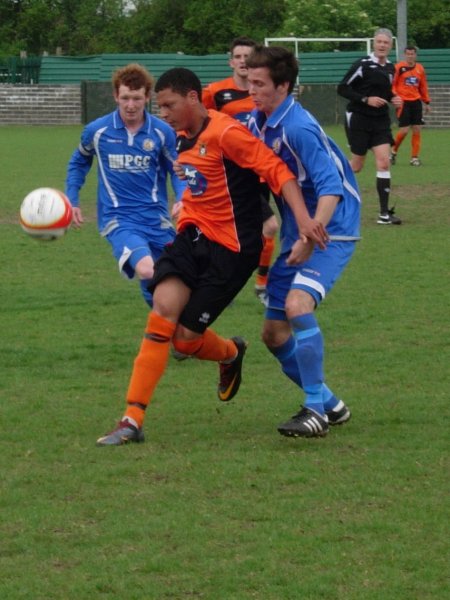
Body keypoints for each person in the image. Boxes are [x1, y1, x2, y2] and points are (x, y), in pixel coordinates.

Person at [96, 66, 328, 446]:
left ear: (191, 98)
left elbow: (278, 172)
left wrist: (303, 220)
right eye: (160, 106)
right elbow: (196, 181)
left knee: (185, 341)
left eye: (169, 105)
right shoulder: (181, 137)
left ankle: (231, 352)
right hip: (192, 237)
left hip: (232, 250)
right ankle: (131, 419)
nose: (163, 113)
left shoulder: (227, 132)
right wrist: (184, 204)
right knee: (162, 310)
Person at [246, 45, 361, 438]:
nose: (252, 90)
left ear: (283, 86)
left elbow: (331, 187)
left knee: (298, 305)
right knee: (273, 334)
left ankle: (314, 410)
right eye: (249, 81)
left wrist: (313, 238)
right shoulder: (258, 121)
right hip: (300, 230)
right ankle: (330, 403)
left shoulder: (298, 127)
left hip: (333, 228)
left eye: (259, 84)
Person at [65, 63, 185, 307]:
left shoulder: (162, 132)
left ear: (147, 97)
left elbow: (178, 170)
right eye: (126, 98)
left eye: (137, 98)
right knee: (148, 269)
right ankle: (166, 335)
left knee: (178, 281)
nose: (131, 105)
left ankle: (216, 346)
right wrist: (72, 199)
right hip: (119, 220)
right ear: (115, 96)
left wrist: (183, 198)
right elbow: (78, 162)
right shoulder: (97, 131)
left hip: (157, 219)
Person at [203, 36, 279, 304]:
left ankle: (222, 283)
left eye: (248, 56)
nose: (243, 61)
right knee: (269, 226)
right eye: (238, 57)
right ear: (231, 61)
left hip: (261, 172)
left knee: (247, 234)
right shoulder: (215, 93)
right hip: (232, 175)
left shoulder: (263, 93)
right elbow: (200, 126)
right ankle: (261, 285)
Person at [337, 28, 403, 225]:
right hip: (359, 118)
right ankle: (327, 183)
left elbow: (386, 90)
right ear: (374, 43)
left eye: (386, 43)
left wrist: (394, 98)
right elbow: (342, 88)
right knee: (356, 166)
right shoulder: (362, 65)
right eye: (379, 42)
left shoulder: (391, 68)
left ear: (391, 46)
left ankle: (384, 214)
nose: (382, 45)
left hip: (380, 121)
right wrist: (366, 99)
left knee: (384, 162)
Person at [390, 46, 431, 167]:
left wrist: (427, 102)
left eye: (412, 54)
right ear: (405, 55)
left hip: (416, 102)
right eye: (408, 54)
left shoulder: (420, 68)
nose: (410, 56)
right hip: (403, 102)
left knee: (417, 129)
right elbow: (393, 84)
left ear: (415, 55)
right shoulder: (399, 67)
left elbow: (423, 86)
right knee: (404, 130)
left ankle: (414, 158)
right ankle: (393, 151)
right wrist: (395, 96)